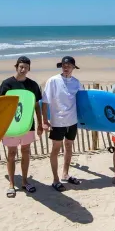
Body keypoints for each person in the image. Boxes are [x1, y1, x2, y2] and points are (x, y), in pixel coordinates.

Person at [0, 56, 43, 197]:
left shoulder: (33, 85)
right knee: (11, 153)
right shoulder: (7, 84)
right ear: (16, 67)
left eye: (26, 67)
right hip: (11, 125)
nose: (23, 69)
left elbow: (36, 106)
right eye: (21, 67)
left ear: (29, 69)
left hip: (28, 124)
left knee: (26, 151)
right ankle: (11, 184)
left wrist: (40, 123)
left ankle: (24, 181)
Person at [41, 56, 84, 191]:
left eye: (69, 65)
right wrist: (45, 121)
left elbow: (83, 102)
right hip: (57, 122)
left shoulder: (77, 83)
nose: (66, 67)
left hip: (72, 121)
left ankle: (65, 174)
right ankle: (55, 180)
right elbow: (45, 101)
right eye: (64, 65)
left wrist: (86, 121)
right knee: (56, 149)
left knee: (69, 147)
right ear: (61, 66)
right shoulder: (53, 81)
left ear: (73, 68)